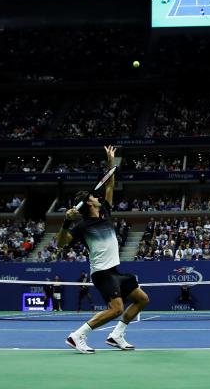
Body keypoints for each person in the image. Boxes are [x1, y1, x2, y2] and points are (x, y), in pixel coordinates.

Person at [57, 146, 150, 354]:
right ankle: (77, 336)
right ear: (89, 203)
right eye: (94, 197)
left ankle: (116, 335)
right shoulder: (82, 227)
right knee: (116, 308)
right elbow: (62, 243)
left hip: (115, 271)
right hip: (102, 273)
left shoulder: (105, 211)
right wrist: (65, 221)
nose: (99, 197)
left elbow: (110, 183)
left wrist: (110, 162)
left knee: (142, 299)